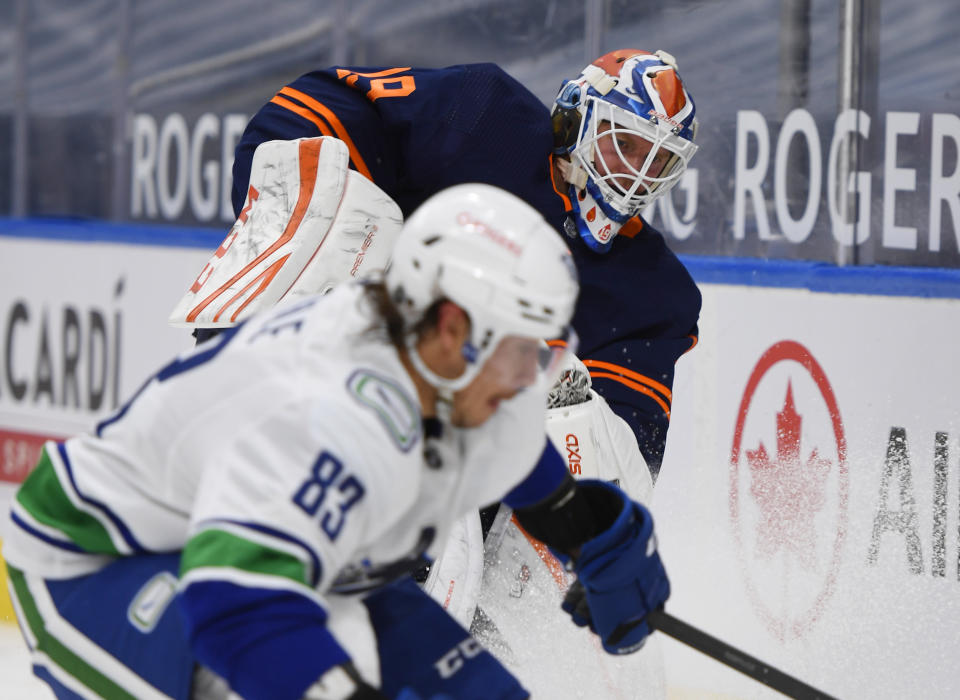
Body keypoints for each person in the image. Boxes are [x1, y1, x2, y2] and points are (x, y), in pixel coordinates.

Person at [4, 184, 671, 700]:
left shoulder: (464, 368)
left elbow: (530, 474)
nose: (533, 374)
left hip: (266, 547)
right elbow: (237, 608)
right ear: (448, 327)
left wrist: (592, 534)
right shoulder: (330, 415)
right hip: (97, 560)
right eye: (524, 345)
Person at [227, 48, 702, 479]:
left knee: (578, 428)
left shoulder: (656, 297)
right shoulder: (484, 115)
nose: (636, 171)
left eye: (659, 159)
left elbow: (628, 477)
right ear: (575, 117)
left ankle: (428, 569)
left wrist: (564, 400)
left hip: (474, 481)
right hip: (346, 372)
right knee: (334, 213)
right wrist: (300, 215)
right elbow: (308, 111)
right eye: (625, 143)